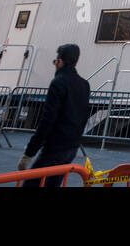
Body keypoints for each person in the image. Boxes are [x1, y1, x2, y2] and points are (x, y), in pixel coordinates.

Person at [19, 44, 91, 187]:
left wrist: (29, 153)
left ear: (60, 61)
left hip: (55, 146)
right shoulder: (84, 85)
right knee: (54, 183)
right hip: (72, 146)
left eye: (55, 62)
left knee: (32, 183)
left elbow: (48, 119)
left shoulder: (58, 82)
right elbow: (84, 116)